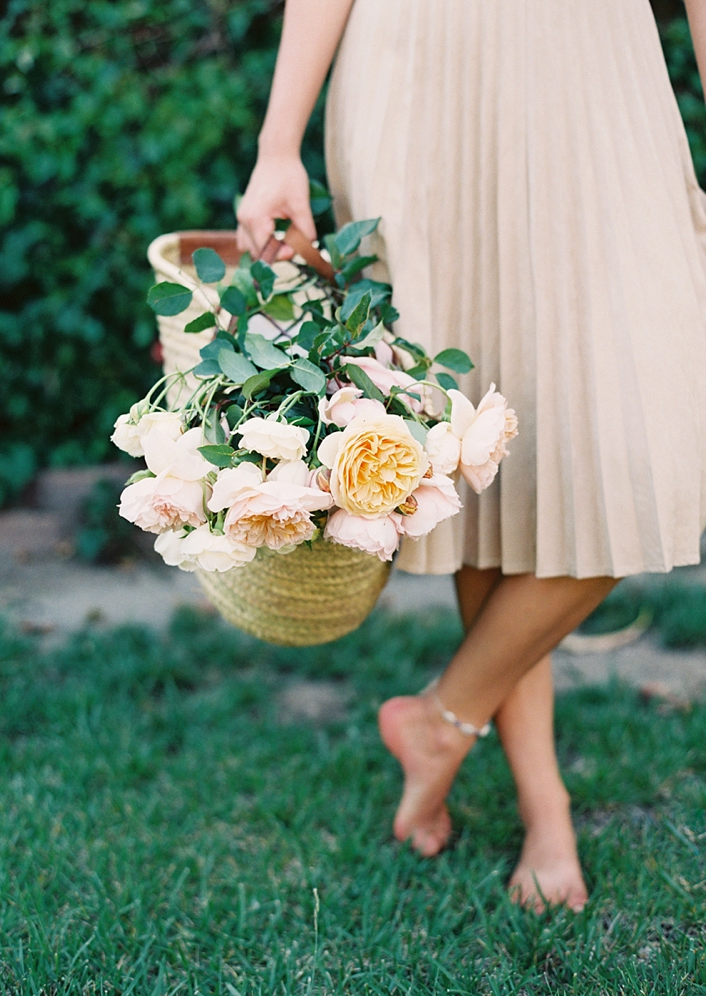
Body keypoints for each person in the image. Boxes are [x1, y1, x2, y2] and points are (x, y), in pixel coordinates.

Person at [236, 0, 706, 912]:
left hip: (600, 84)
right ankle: (545, 808)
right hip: (415, 83)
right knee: (475, 448)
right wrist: (277, 143)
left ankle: (443, 719)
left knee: (657, 446)